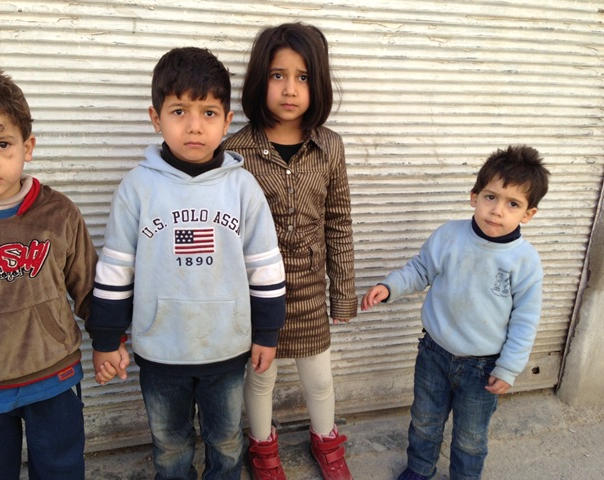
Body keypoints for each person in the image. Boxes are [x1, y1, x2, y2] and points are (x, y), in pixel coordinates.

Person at [86, 47, 286, 480]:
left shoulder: (244, 189)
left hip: (226, 348)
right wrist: (106, 337)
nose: (194, 126)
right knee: (170, 445)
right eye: (179, 111)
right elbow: (115, 271)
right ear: (156, 118)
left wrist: (267, 333)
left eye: (208, 113)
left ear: (226, 121)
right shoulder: (137, 189)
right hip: (161, 350)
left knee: (227, 442)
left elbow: (266, 270)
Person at [361, 145, 551, 480]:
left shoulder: (525, 261)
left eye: (512, 204)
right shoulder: (449, 236)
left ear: (528, 214)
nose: (497, 210)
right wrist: (390, 287)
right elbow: (420, 270)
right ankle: (420, 468)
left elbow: (525, 320)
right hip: (434, 353)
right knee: (424, 420)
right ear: (474, 196)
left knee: (470, 436)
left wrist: (508, 368)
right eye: (490, 197)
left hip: (483, 367)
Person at [223, 23, 357, 480]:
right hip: (257, 294)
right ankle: (262, 447)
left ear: (318, 83)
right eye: (278, 75)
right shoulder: (235, 151)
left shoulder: (329, 146)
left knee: (319, 378)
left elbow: (339, 222)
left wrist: (343, 295)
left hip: (309, 292)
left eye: (303, 77)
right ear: (259, 80)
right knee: (260, 376)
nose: (290, 89)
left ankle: (326, 441)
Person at [0, 62, 105, 479]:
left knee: (62, 469)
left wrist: (108, 340)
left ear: (28, 146)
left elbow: (88, 285)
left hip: (53, 376)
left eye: (1, 143)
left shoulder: (57, 214)